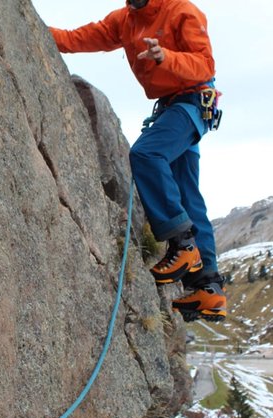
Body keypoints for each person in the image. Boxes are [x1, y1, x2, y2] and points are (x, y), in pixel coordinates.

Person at [49, 0, 227, 322]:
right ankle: (207, 288)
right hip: (177, 107)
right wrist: (37, 30)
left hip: (191, 102)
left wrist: (165, 57)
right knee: (188, 196)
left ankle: (183, 245)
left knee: (146, 154)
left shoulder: (181, 11)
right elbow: (80, 38)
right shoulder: (125, 20)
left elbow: (205, 66)